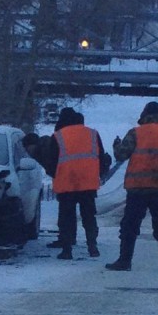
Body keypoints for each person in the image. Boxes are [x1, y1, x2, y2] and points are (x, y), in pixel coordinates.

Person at [106, 101, 158, 272]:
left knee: (130, 225)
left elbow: (121, 155)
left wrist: (116, 145)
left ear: (144, 115)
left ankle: (125, 261)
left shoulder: (135, 133)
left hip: (138, 188)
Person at [41, 107, 109, 260]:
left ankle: (66, 249)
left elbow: (51, 162)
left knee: (66, 216)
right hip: (88, 182)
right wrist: (98, 174)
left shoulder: (58, 136)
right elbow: (101, 157)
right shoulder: (93, 134)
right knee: (89, 215)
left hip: (66, 182)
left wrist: (55, 175)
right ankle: (92, 246)